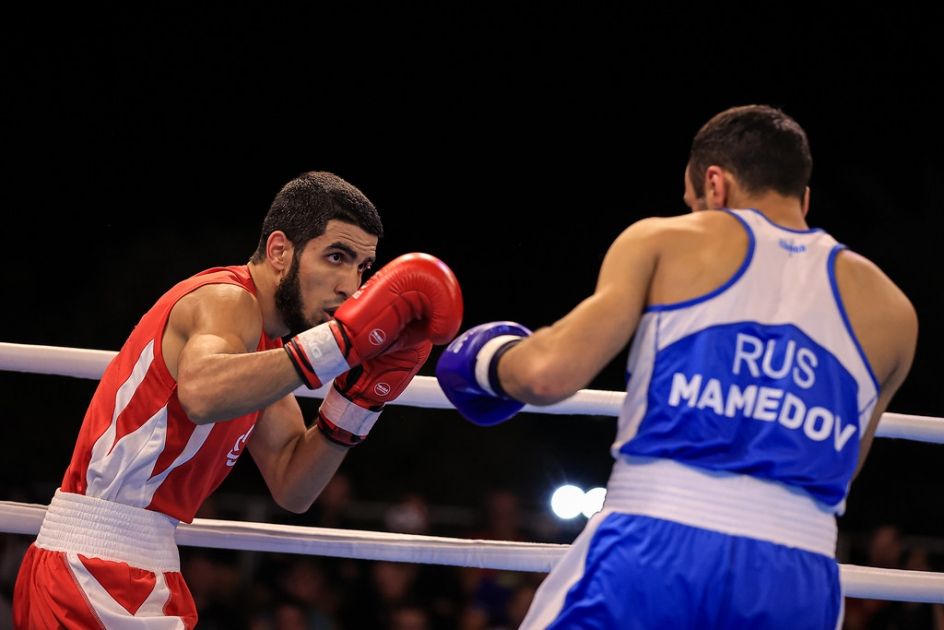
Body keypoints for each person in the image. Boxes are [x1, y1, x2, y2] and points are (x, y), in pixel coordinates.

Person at [436, 105, 917, 628]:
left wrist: (484, 360)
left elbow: (546, 374)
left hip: (658, 543)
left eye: (693, 204)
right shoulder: (894, 314)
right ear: (803, 198)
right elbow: (841, 469)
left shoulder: (667, 241)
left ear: (715, 185)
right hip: (799, 576)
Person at [13, 171, 463, 628]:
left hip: (140, 565)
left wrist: (358, 401)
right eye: (336, 257)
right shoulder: (227, 300)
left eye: (362, 267)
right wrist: (341, 344)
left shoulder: (267, 350)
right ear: (279, 251)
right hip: (92, 566)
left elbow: (294, 485)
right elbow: (202, 392)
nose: (350, 285)